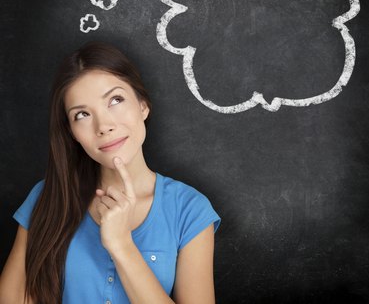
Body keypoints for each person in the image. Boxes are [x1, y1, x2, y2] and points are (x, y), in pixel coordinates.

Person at [0, 41, 221, 304]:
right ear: (72, 133)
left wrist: (122, 246)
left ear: (143, 105)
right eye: (82, 114)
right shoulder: (46, 197)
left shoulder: (190, 209)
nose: (103, 126)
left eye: (115, 100)